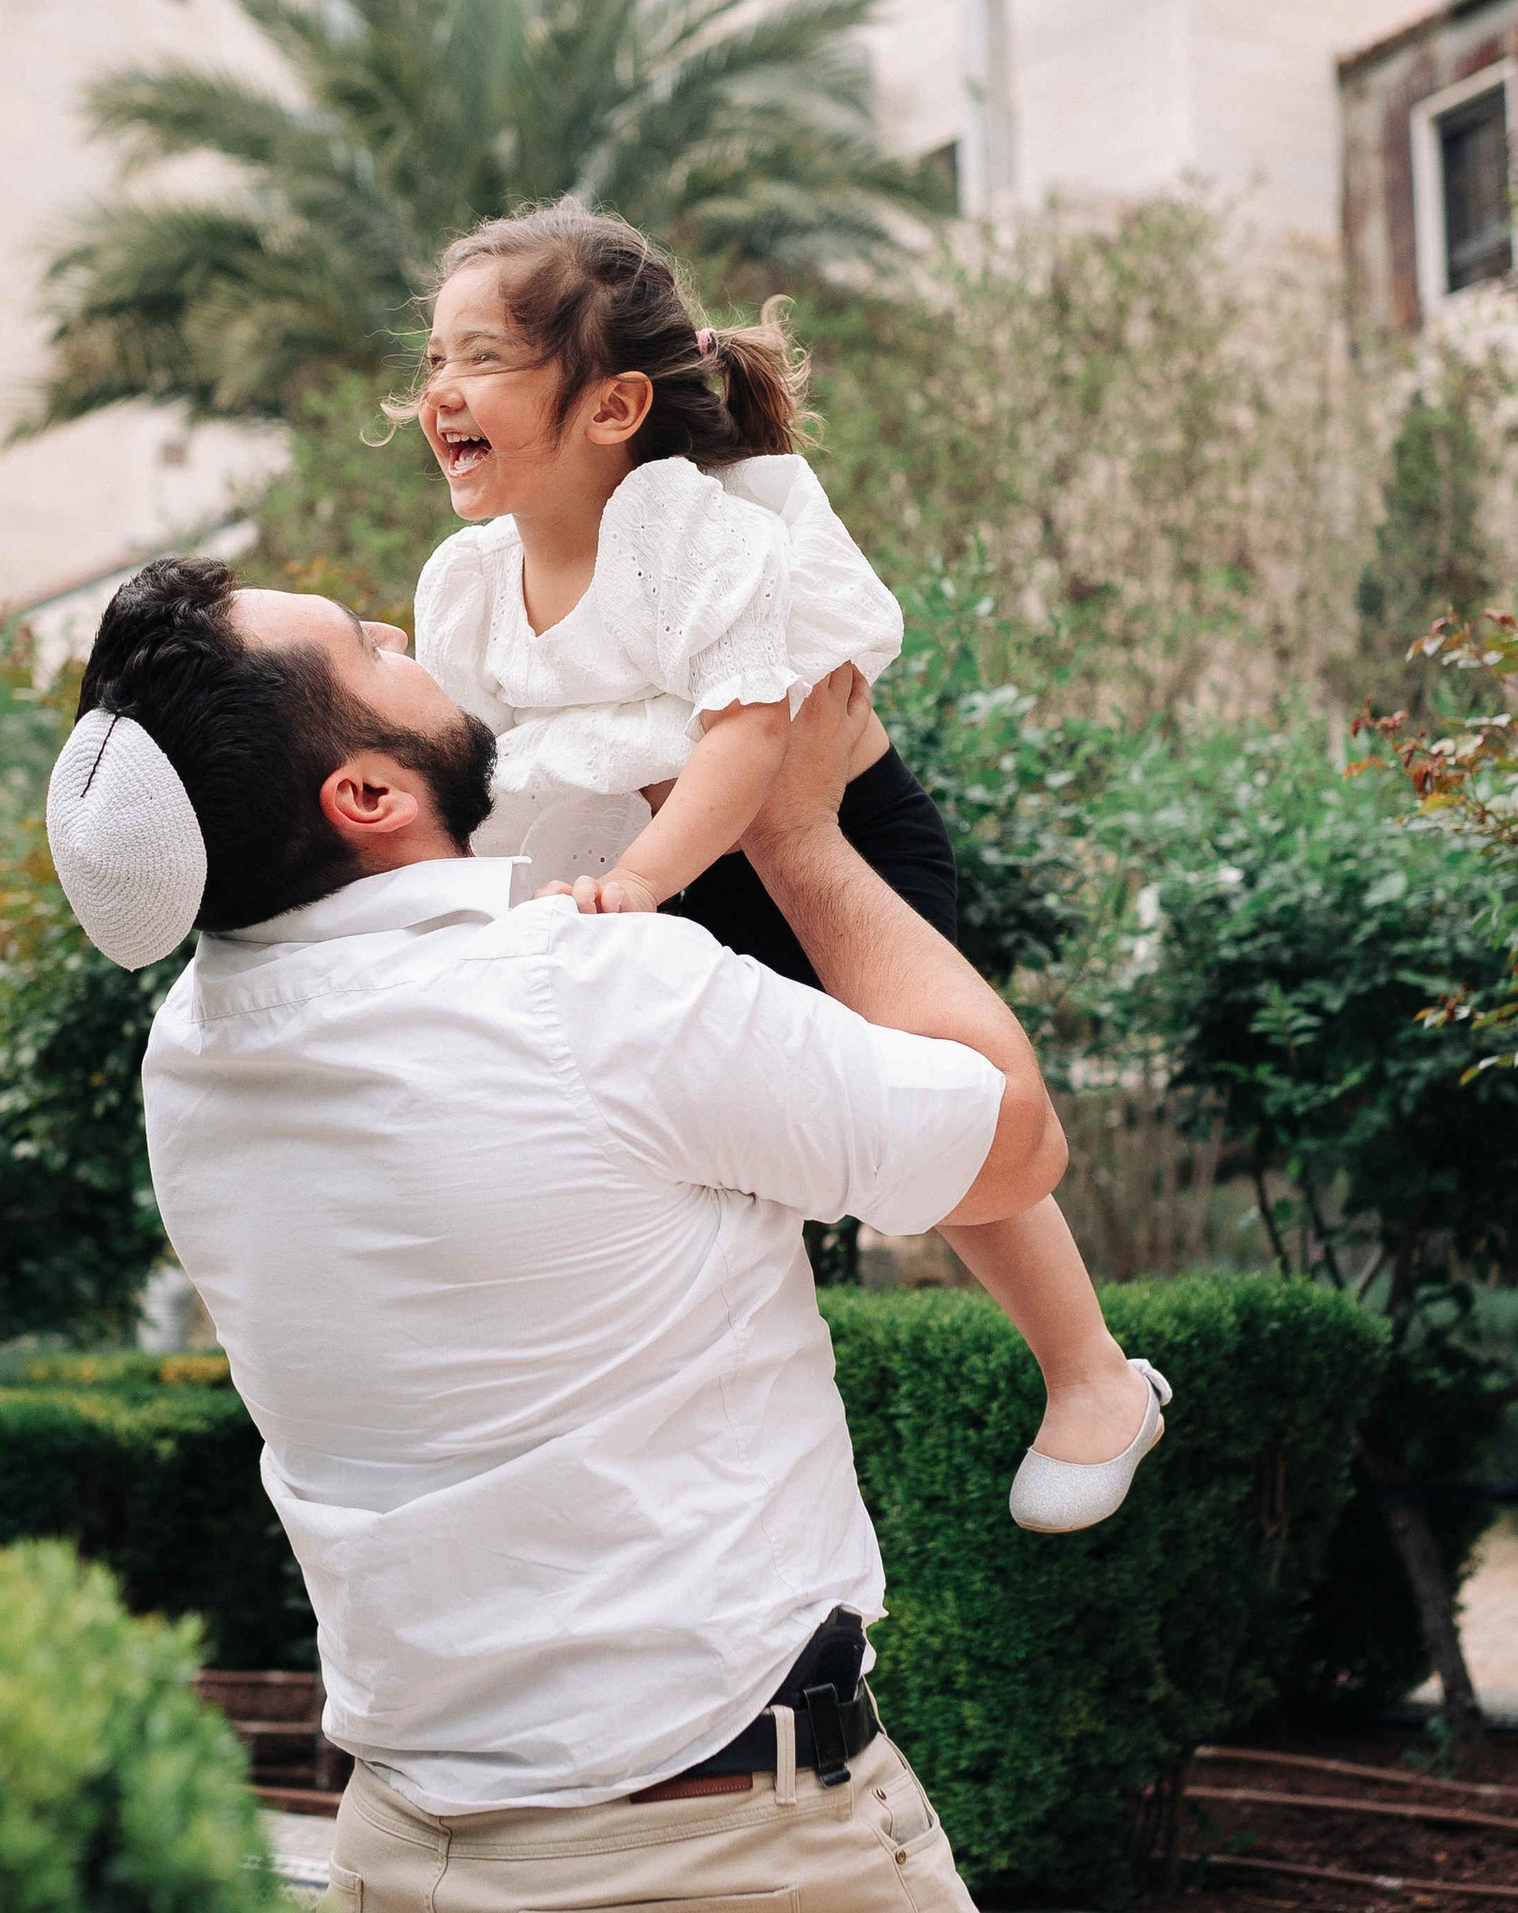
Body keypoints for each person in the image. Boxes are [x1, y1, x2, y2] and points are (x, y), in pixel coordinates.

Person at [42, 559, 1087, 1913]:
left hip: (435, 1884)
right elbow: (1008, 1133)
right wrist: (797, 827)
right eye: (374, 649)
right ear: (362, 794)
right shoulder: (585, 1002)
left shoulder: (199, 1052)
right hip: (731, 1889)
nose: (413, 639)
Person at [405, 199, 1165, 1538]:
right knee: (727, 1159)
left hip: (829, 835)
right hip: (652, 885)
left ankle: (1093, 1374)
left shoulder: (676, 528)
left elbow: (753, 730)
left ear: (612, 406)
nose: (442, 390)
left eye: (484, 358)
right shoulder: (467, 586)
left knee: (932, 1107)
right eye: (433, 361)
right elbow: (477, 784)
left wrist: (641, 882)